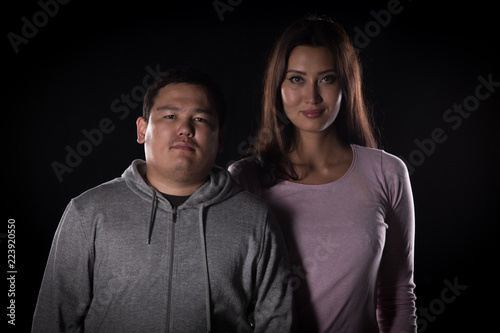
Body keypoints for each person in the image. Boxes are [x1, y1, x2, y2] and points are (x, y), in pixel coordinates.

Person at [32, 67, 296, 332]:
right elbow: (52, 322)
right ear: (142, 129)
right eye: (170, 116)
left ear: (221, 138)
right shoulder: (88, 212)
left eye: (201, 119)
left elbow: (277, 323)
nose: (185, 128)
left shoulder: (255, 220)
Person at [229, 16, 417, 332]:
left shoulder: (387, 172)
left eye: (327, 79)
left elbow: (397, 297)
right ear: (278, 87)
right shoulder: (245, 178)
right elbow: (231, 299)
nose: (312, 97)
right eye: (297, 79)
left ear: (346, 85)